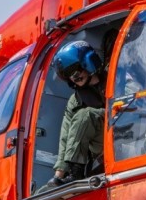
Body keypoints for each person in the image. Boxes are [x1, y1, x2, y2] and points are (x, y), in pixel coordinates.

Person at [45, 40, 106, 189]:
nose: (73, 77)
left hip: (123, 134)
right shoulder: (75, 100)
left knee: (84, 115)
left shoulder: (117, 79)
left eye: (73, 70)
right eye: (68, 74)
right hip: (98, 147)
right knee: (46, 189)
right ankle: (72, 174)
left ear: (88, 62)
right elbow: (66, 136)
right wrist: (58, 175)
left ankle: (76, 172)